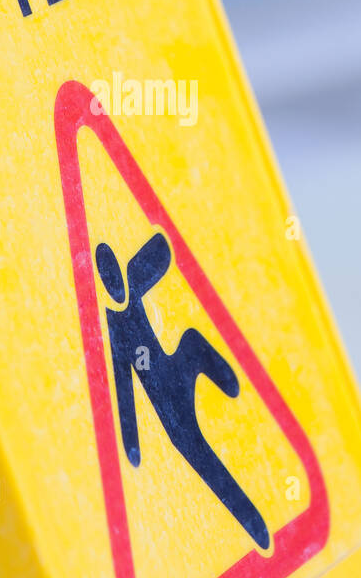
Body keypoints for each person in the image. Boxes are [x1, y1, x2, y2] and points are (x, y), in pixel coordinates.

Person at [96, 232, 270, 550]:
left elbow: (162, 248)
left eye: (113, 274)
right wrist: (131, 445)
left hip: (172, 380)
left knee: (200, 454)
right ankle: (257, 529)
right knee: (201, 456)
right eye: (107, 278)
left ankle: (258, 528)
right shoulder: (114, 323)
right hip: (167, 401)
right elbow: (123, 387)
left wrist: (141, 260)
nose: (113, 283)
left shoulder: (132, 288)